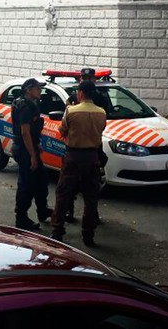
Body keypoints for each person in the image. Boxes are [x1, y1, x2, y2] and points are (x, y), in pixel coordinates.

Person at [52, 80, 106, 247]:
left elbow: (62, 131)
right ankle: (88, 235)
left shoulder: (71, 111)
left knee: (63, 194)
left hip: (73, 157)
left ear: (80, 93)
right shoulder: (101, 112)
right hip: (92, 158)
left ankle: (57, 231)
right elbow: (100, 131)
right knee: (90, 198)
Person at [65, 67, 109, 222]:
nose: (85, 80)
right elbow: (66, 121)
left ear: (94, 80)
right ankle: (69, 212)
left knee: (91, 186)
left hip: (93, 147)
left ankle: (92, 215)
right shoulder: (73, 96)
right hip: (77, 146)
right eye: (83, 77)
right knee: (70, 185)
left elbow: (106, 117)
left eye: (89, 78)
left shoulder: (101, 98)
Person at [11, 78, 53, 231]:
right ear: (28, 90)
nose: (40, 91)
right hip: (24, 150)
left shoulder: (29, 103)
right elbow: (25, 132)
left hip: (28, 147)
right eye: (37, 88)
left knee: (41, 180)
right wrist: (32, 155)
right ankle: (21, 218)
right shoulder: (25, 107)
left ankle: (42, 211)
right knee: (26, 185)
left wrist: (36, 146)